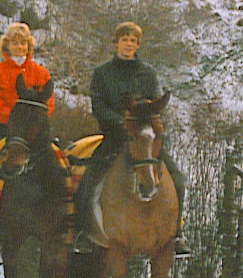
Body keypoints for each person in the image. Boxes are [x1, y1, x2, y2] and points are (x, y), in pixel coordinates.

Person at [76, 21, 190, 256]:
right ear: (116, 42)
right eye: (124, 39)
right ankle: (82, 232)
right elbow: (98, 106)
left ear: (137, 45)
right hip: (115, 138)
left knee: (178, 179)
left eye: (133, 41)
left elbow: (157, 104)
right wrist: (121, 122)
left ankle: (176, 235)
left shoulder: (148, 73)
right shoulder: (102, 73)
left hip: (145, 140)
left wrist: (144, 123)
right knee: (87, 180)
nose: (128, 44)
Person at [0, 23, 54, 150]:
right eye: (14, 43)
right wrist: (16, 122)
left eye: (23, 43)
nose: (19, 47)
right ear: (7, 46)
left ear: (29, 45)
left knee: (59, 160)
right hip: (5, 128)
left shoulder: (41, 73)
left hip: (35, 131)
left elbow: (49, 103)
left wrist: (32, 123)